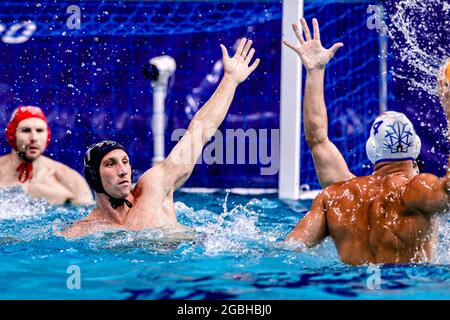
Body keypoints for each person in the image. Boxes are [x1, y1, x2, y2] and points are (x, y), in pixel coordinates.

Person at [283, 18, 449, 265]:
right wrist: (448, 107)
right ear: (415, 148)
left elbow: (317, 139)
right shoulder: (419, 189)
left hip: (351, 289)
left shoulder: (336, 196)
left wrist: (315, 70)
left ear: (371, 150)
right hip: (408, 288)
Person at [61, 38, 260, 238]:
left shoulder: (154, 187)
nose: (123, 171)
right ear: (94, 176)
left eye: (125, 162)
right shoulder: (82, 231)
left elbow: (200, 132)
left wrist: (230, 80)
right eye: (110, 164)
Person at [0, 106, 94, 205]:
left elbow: (89, 217)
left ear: (47, 136)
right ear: (11, 135)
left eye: (39, 130)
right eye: (26, 130)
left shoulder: (70, 181)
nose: (34, 138)